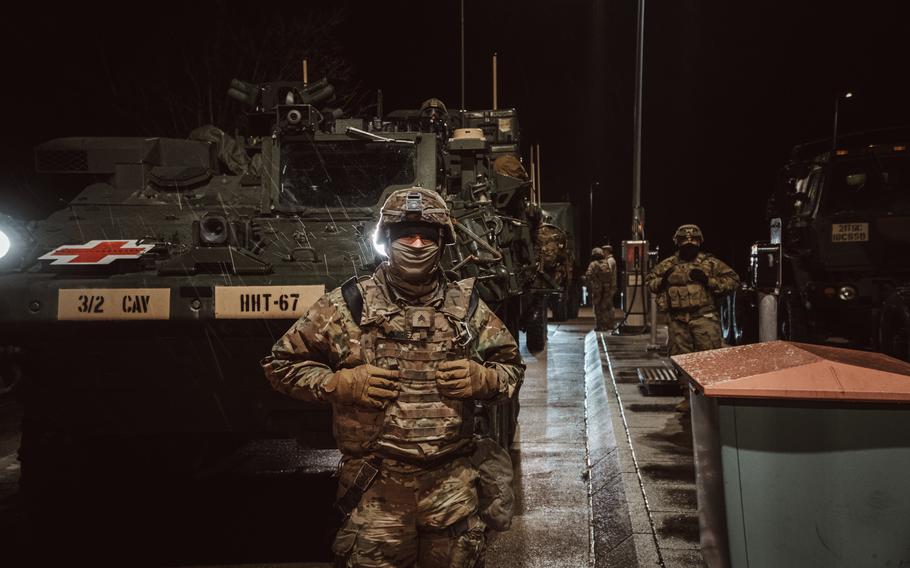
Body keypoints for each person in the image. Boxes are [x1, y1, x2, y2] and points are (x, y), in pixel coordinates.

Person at [262, 187, 524, 568]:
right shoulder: (349, 305)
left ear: (441, 243)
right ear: (387, 239)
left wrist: (482, 378)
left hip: (450, 491)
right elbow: (281, 364)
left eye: (426, 236)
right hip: (375, 490)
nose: (416, 244)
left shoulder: (467, 308)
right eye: (406, 234)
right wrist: (341, 384)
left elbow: (511, 369)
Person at [645, 224, 739, 356]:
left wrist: (708, 281)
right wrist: (662, 281)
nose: (689, 243)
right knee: (681, 363)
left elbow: (734, 280)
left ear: (699, 242)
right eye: (684, 240)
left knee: (709, 362)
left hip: (705, 320)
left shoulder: (710, 263)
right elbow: (649, 282)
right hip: (677, 324)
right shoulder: (668, 265)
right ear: (677, 242)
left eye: (693, 240)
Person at [584, 247, 615, 331]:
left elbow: (589, 275)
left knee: (597, 307)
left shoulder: (593, 264)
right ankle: (609, 325)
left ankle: (600, 326)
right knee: (606, 306)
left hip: (597, 288)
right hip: (607, 288)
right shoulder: (606, 263)